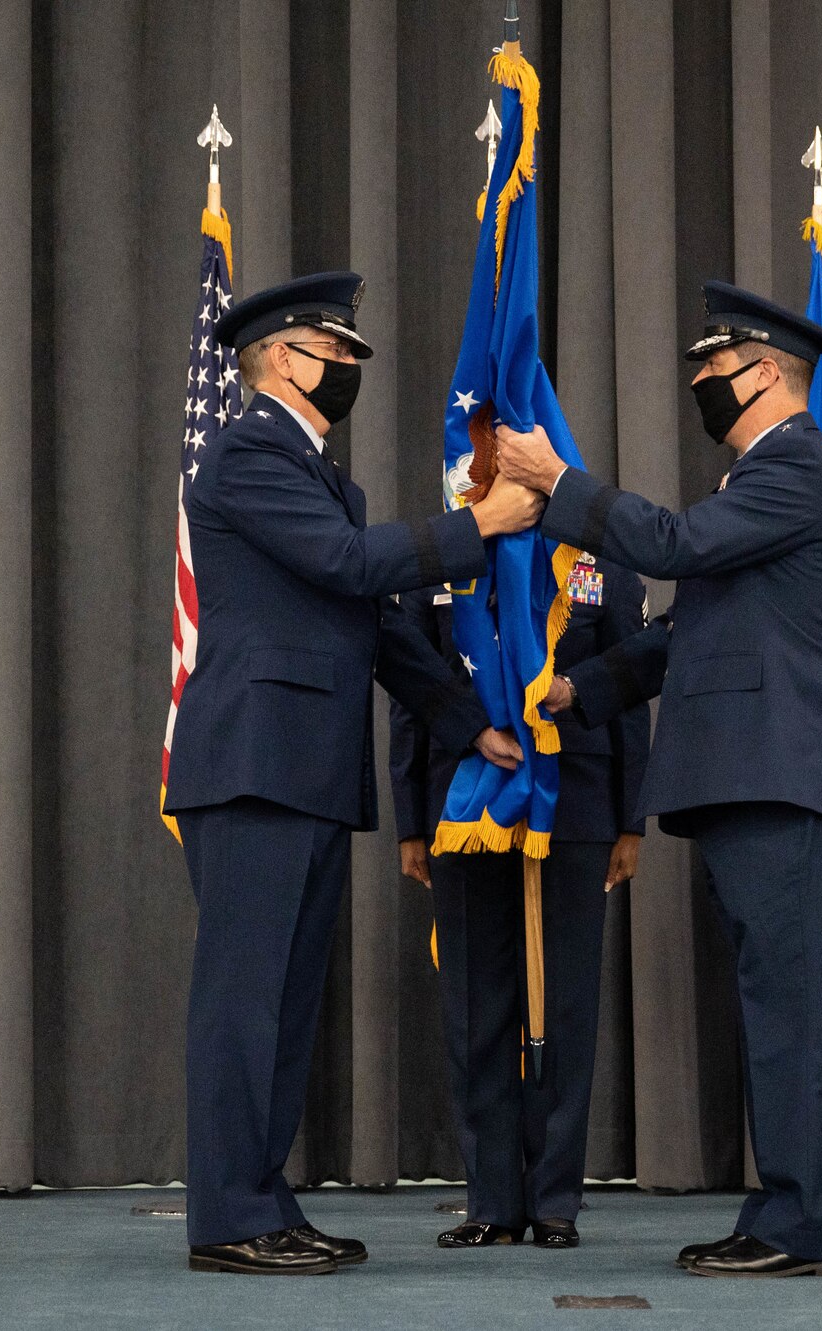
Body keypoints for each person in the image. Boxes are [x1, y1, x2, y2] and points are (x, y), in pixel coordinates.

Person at [492, 281, 822, 1279]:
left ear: (761, 373)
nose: (700, 385)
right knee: (774, 1007)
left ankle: (813, 1227)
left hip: (788, 782)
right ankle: (783, 1209)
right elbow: (690, 629)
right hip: (758, 780)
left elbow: (670, 548)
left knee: (793, 1011)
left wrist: (560, 480)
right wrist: (580, 690)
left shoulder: (793, 467)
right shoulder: (756, 478)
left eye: (711, 368)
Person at [164, 271, 542, 1275]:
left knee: (285, 1003)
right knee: (243, 998)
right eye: (335, 353)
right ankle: (227, 1215)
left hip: (305, 768)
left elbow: (374, 628)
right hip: (252, 761)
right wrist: (482, 524)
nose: (348, 370)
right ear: (281, 357)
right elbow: (344, 565)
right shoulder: (250, 452)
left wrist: (470, 725)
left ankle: (260, 1198)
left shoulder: (327, 478)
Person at [388, 554, 650, 1250]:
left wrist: (631, 818)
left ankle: (557, 1197)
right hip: (465, 802)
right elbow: (416, 690)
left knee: (566, 1001)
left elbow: (626, 681)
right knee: (477, 1002)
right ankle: (492, 1199)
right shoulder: (439, 563)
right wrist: (411, 820)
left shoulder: (597, 564)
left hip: (576, 803)